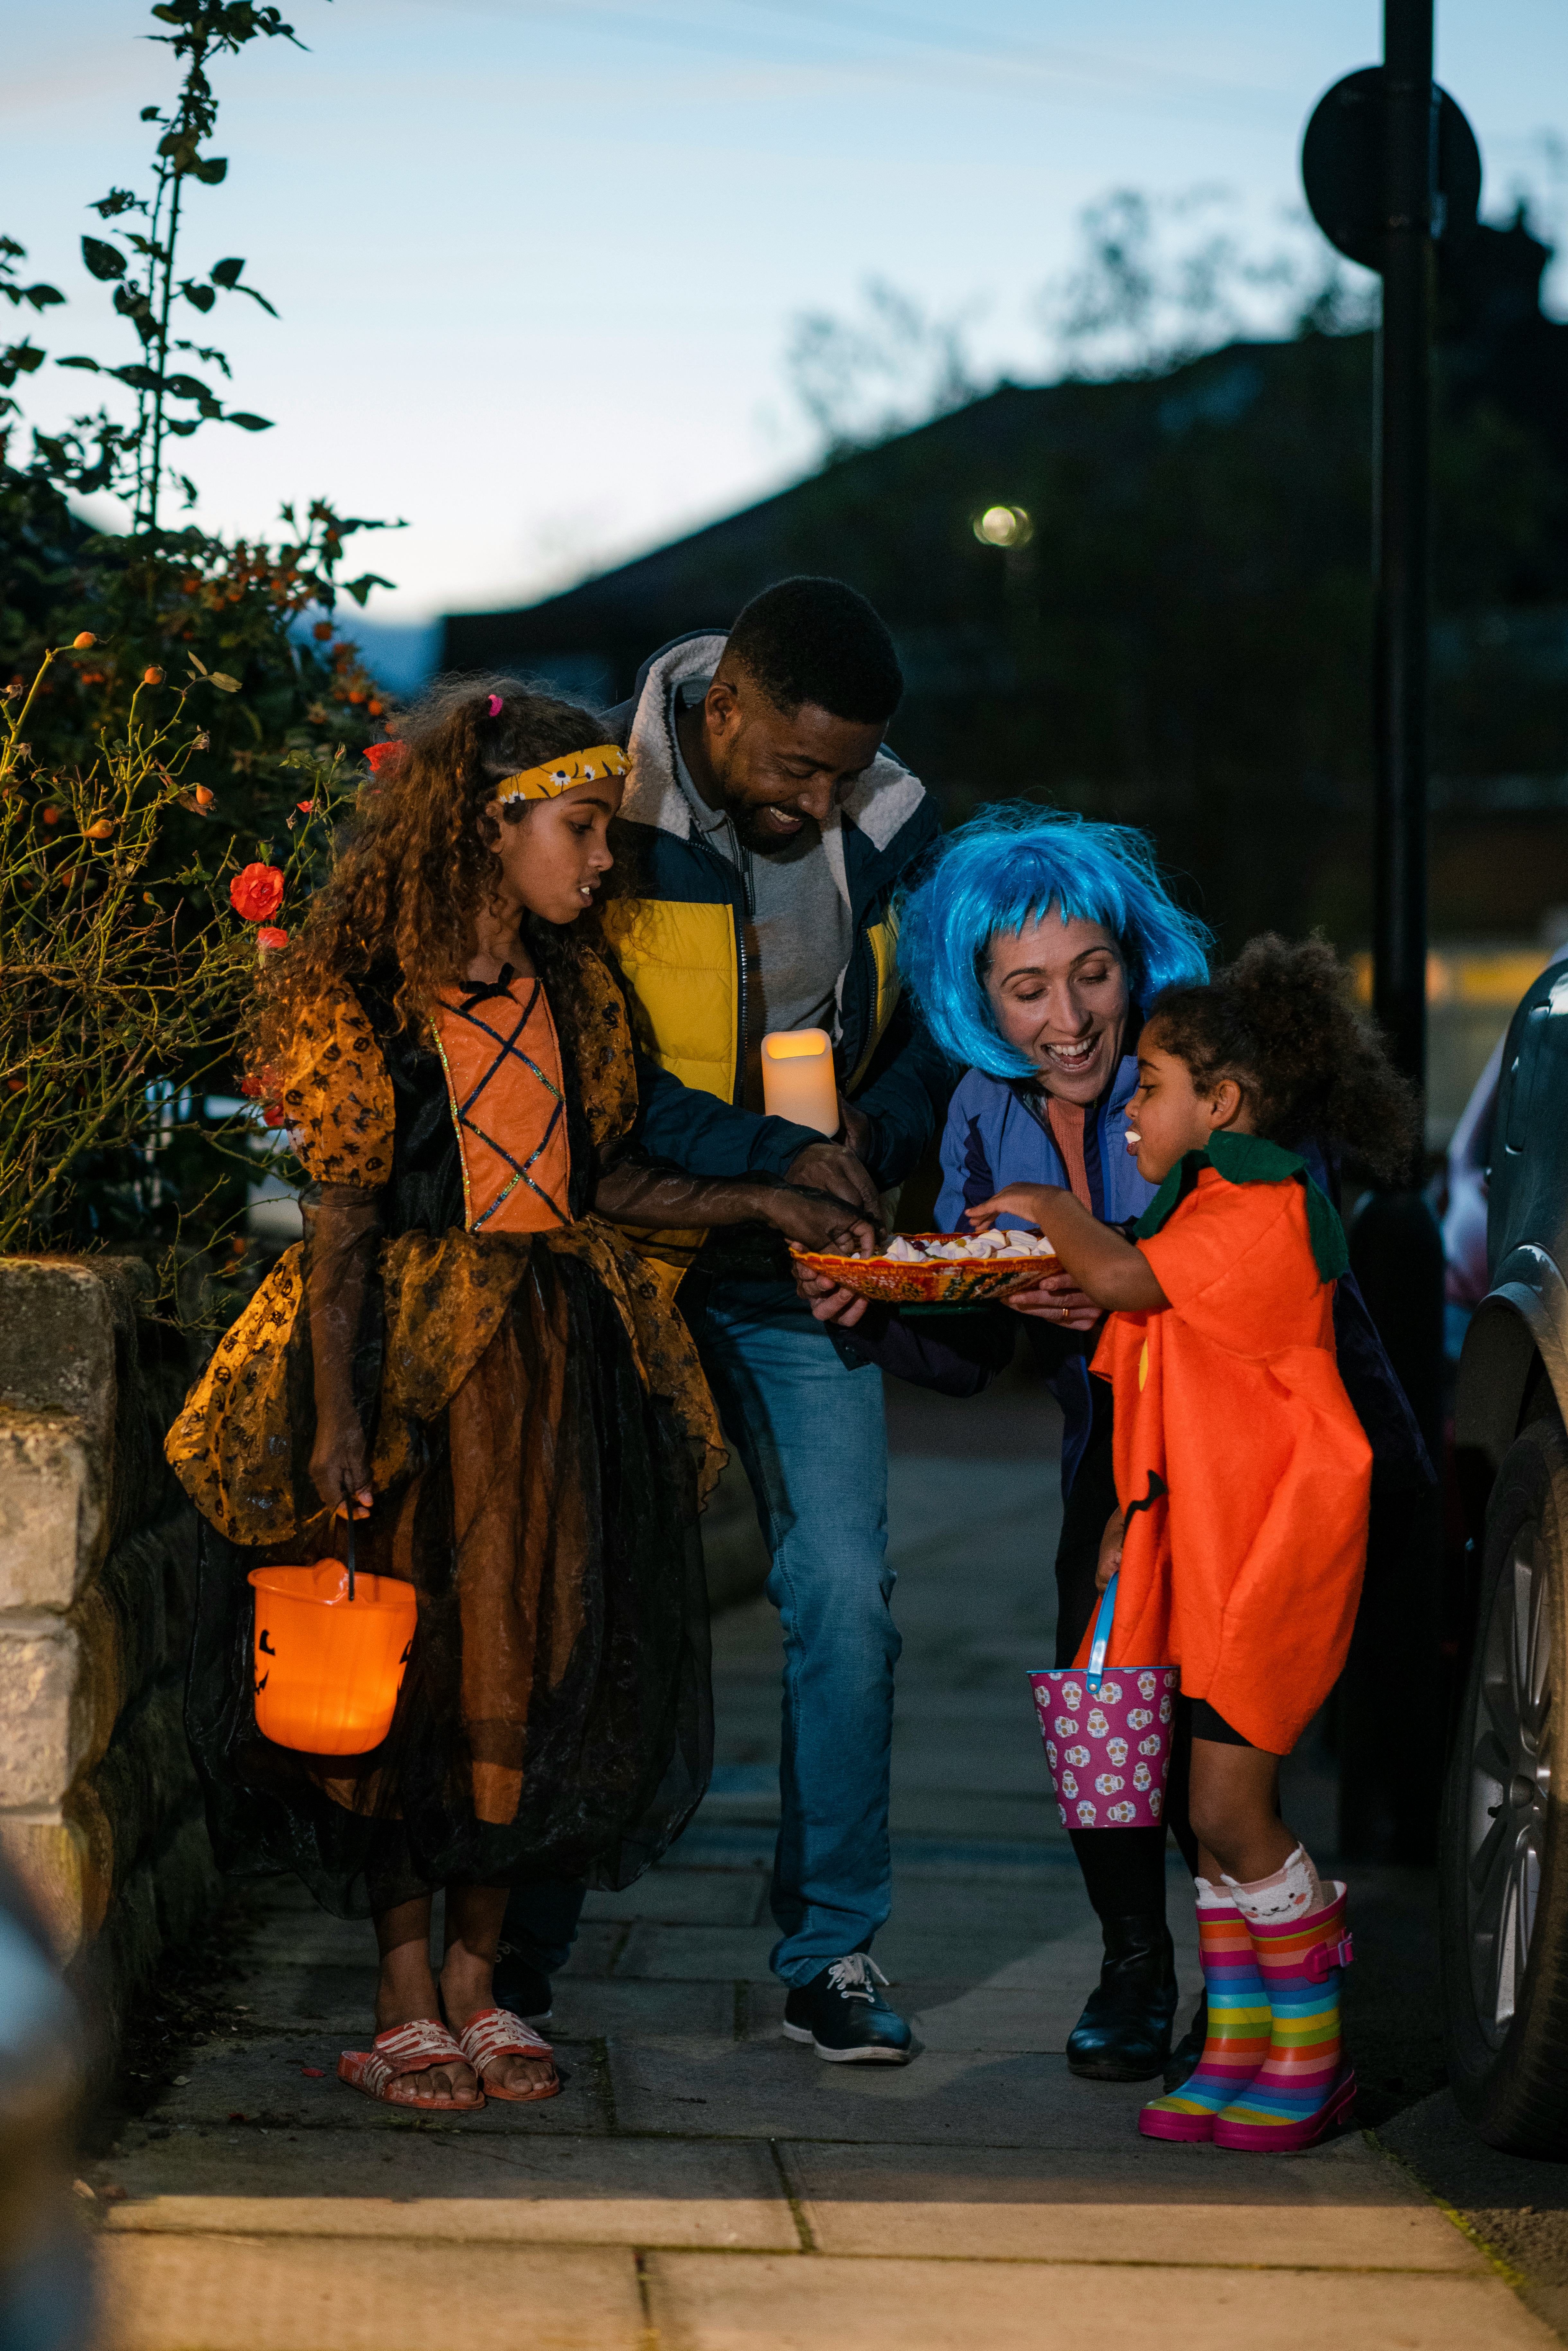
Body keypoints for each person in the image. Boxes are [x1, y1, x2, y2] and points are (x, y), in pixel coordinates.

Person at [165, 681, 876, 2114]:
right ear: (485, 825)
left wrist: (762, 1191)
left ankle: (484, 1982)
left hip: (558, 1366)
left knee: (537, 1657)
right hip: (421, 1371)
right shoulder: (364, 991)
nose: (603, 858)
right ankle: (401, 1984)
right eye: (577, 829)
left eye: (603, 831)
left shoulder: (575, 988)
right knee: (407, 1663)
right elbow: (346, 1222)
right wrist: (341, 1413)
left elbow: (601, 1172)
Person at [797, 807, 1430, 2085]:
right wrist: (873, 1312)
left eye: (1090, 971)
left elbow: (1286, 1288)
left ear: (1132, 955)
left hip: (1249, 1452)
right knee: (1100, 1708)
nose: (1070, 1016)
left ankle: (1249, 1989)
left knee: (1222, 1732)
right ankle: (1133, 1960)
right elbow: (977, 1343)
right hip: (1118, 1457)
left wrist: (1130, 1284)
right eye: (1026, 987)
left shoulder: (1208, 1069)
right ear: (977, 994)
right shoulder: (984, 1108)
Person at [498, 577, 949, 2063]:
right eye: (793, 767)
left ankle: (831, 1951)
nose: (818, 797)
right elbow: (593, 1072)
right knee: (590, 1588)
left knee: (847, 1597)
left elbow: (928, 1042)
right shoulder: (599, 815)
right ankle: (524, 1944)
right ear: (724, 707)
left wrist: (866, 1145)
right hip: (629, 1256)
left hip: (798, 1265)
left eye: (843, 771)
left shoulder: (885, 823)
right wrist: (772, 1160)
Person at [967, 933, 1417, 2150]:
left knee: (1228, 1802)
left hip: (1270, 1552)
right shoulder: (1205, 1205)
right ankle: (1236, 2047)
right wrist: (1119, 1521)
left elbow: (1119, 1279)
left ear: (1221, 1105)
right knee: (1207, 1813)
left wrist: (1051, 1207)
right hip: (1200, 1550)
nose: (1128, 1113)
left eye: (1151, 1088)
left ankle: (1310, 2052)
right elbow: (1151, 1375)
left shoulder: (1262, 1207)